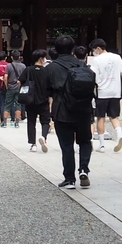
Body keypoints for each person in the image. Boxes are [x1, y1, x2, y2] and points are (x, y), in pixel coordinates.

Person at [46, 36, 95, 189]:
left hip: (62, 110)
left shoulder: (51, 68)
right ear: (73, 48)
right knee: (85, 141)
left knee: (67, 145)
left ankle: (69, 178)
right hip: (83, 109)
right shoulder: (82, 65)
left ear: (56, 49)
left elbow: (47, 90)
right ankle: (84, 169)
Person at [87, 38, 122, 153]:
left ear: (98, 48)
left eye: (94, 49)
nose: (94, 52)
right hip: (115, 91)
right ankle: (119, 134)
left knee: (100, 117)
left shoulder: (97, 60)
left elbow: (93, 75)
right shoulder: (117, 57)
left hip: (102, 91)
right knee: (114, 116)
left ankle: (102, 145)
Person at [21, 48, 51, 152]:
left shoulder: (28, 70)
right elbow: (50, 86)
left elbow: (19, 81)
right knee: (45, 121)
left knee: (31, 122)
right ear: (41, 59)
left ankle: (33, 144)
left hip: (30, 100)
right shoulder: (46, 71)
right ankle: (43, 137)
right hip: (43, 99)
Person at [1, 50, 27, 128]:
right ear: (19, 57)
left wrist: (6, 86)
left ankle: (5, 122)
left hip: (11, 87)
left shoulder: (9, 66)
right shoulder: (23, 66)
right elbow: (25, 77)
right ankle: (17, 123)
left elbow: (5, 77)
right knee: (18, 105)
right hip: (19, 87)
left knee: (7, 105)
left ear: (11, 57)